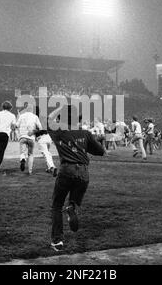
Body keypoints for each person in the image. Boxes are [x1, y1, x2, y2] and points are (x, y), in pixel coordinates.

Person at [45, 105, 106, 252]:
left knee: (56, 206)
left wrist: (60, 107)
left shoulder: (59, 132)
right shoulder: (85, 133)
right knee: (73, 202)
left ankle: (57, 241)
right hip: (84, 173)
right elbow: (100, 151)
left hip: (67, 170)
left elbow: (48, 119)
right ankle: (72, 208)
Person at [0, 101, 17, 176]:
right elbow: (14, 126)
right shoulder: (12, 115)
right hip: (5, 134)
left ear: (3, 107)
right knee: (1, 152)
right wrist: (13, 128)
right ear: (10, 108)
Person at [16, 104, 42, 175]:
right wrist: (33, 131)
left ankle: (23, 159)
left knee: (22, 152)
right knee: (30, 154)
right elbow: (40, 128)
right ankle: (30, 171)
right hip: (31, 138)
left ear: (26, 109)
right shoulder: (35, 117)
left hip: (22, 137)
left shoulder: (21, 116)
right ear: (32, 110)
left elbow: (16, 125)